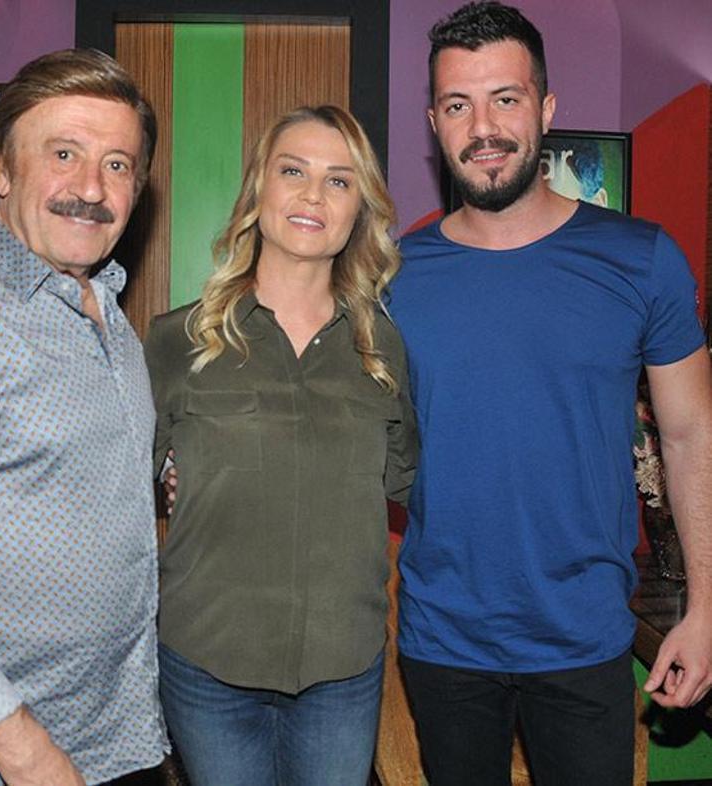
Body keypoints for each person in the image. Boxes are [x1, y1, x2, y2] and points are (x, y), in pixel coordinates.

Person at [388, 3, 712, 784]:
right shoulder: (394, 276)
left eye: (506, 98)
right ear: (434, 123)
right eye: (458, 105)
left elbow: (691, 434)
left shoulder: (642, 259)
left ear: (546, 108)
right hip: (443, 642)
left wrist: (706, 609)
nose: (483, 127)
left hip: (585, 638)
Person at [144, 105, 417, 786]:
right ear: (258, 189)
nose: (312, 195)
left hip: (340, 665)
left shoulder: (382, 348)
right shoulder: (177, 340)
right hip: (207, 660)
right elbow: (117, 495)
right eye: (293, 171)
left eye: (339, 180)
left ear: (359, 209)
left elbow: (409, 480)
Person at [0, 49, 167, 785]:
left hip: (122, 736)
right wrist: (24, 749)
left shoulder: (109, 313)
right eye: (64, 154)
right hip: (1, 762)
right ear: (2, 169)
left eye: (116, 165)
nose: (91, 189)